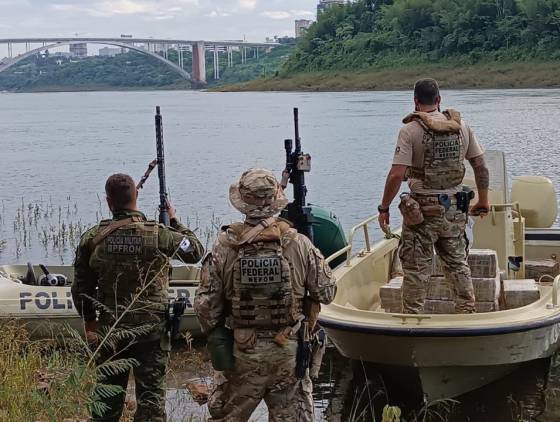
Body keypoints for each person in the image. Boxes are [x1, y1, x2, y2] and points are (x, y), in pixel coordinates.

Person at [194, 168, 336, 422]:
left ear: (243, 203)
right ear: (275, 201)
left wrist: (222, 337)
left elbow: (205, 307)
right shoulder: (298, 243)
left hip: (241, 353)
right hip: (288, 353)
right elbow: (327, 292)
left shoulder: (225, 246)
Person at [72, 173, 204, 422]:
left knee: (106, 401)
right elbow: (194, 250)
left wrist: (90, 325)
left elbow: (81, 289)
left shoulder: (93, 238)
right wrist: (174, 220)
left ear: (109, 202)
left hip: (111, 330)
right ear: (137, 196)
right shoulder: (159, 234)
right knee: (151, 402)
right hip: (151, 331)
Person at [378, 78, 490, 314]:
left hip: (421, 213)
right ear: (439, 100)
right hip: (454, 212)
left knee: (417, 270)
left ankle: (412, 321)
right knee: (458, 264)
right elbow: (480, 166)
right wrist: (483, 200)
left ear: (416, 101)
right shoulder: (462, 128)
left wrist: (384, 207)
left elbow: (396, 175)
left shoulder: (410, 130)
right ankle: (466, 314)